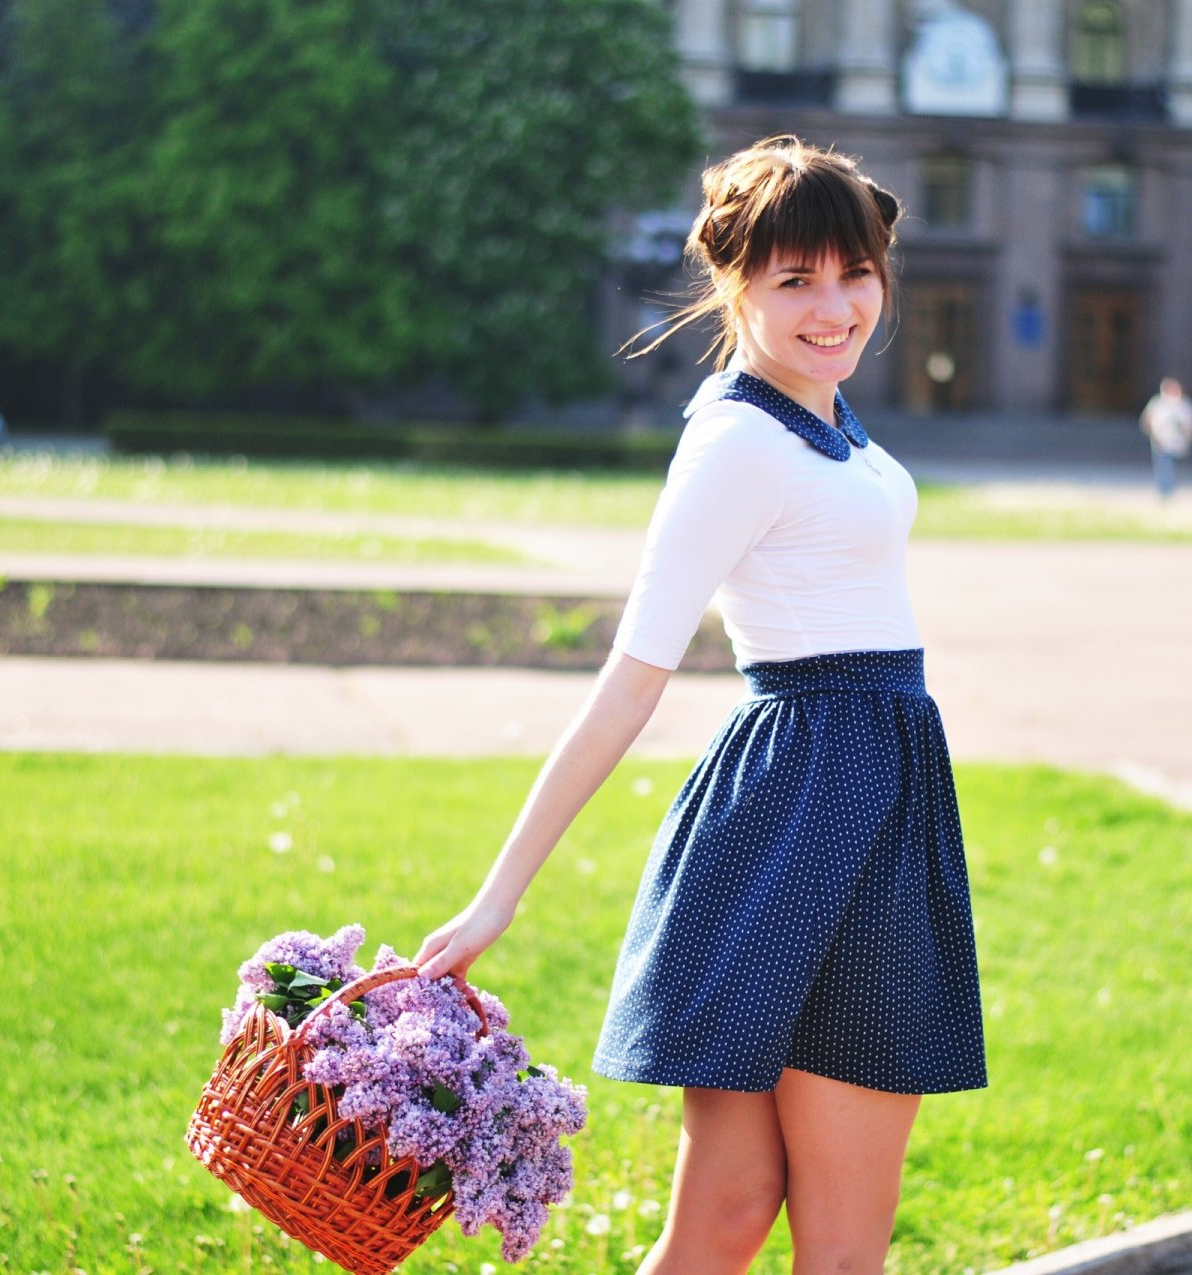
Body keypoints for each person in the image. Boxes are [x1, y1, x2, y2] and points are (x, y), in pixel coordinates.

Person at [413, 134, 987, 1275]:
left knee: (770, 1220)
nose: (837, 306)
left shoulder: (817, 411)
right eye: (796, 281)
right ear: (736, 283)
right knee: (790, 1237)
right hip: (796, 816)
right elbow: (634, 677)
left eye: (856, 273)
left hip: (867, 804)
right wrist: (495, 900)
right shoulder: (735, 440)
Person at [1140, 376, 1192, 498]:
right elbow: (1146, 420)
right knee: (1163, 467)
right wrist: (1153, 433)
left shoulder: (1185, 406)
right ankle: (1165, 491)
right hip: (1161, 442)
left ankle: (1171, 489)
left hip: (1179, 444)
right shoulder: (1157, 403)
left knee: (1176, 468)